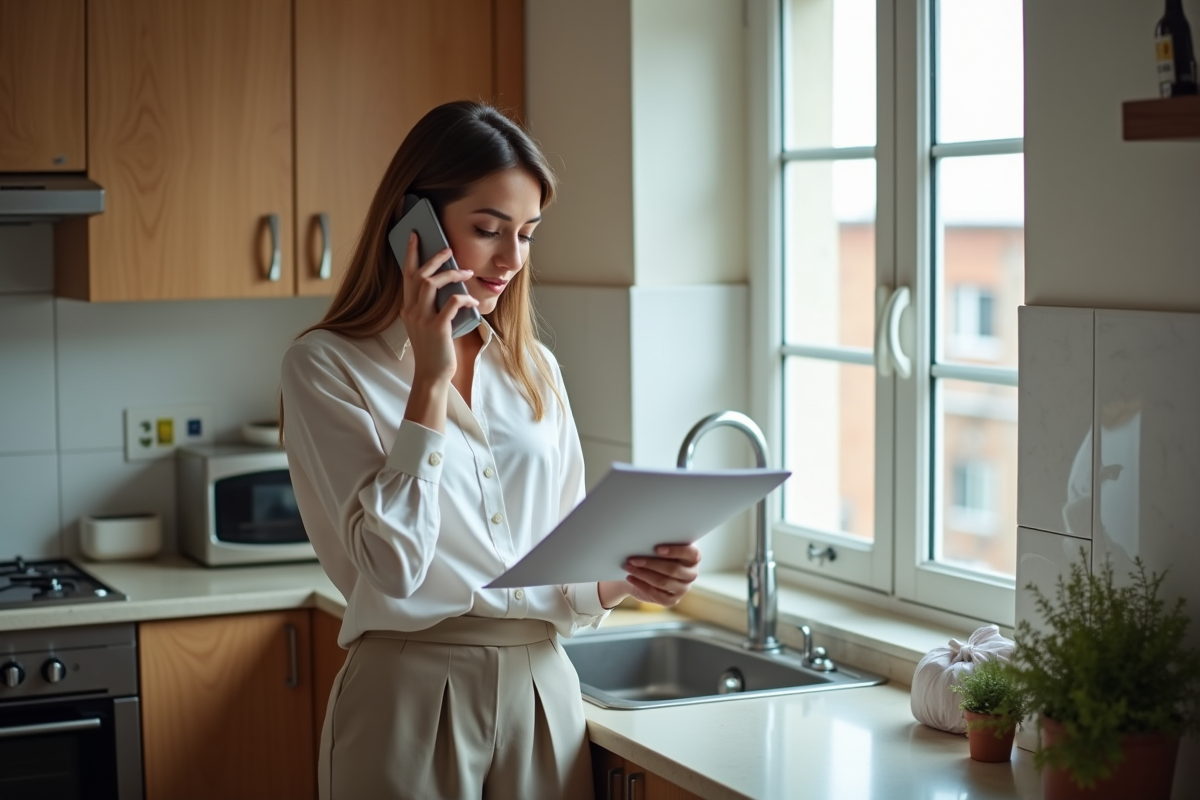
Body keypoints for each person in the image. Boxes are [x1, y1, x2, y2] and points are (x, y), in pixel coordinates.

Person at [279, 100, 702, 800]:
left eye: (527, 234)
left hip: (542, 691)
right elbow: (389, 569)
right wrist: (431, 380)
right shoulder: (325, 366)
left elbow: (562, 573)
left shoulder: (533, 367)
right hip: (406, 699)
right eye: (487, 229)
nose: (511, 259)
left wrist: (631, 576)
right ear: (412, 226)